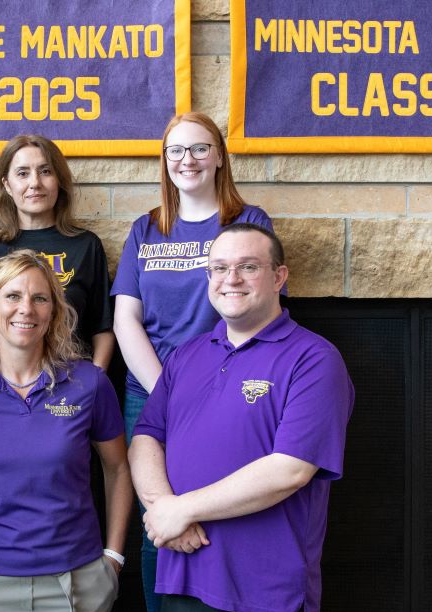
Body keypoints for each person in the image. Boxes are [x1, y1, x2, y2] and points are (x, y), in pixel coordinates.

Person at [129, 224, 353, 612]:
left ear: (278, 276)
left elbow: (290, 470)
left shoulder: (314, 359)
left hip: (264, 591)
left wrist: (182, 510)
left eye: (247, 266)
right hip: (182, 576)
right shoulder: (187, 355)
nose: (231, 279)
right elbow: (146, 437)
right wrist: (163, 507)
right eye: (219, 268)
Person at [111, 111, 274, 611]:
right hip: (151, 393)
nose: (188, 160)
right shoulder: (146, 229)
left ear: (220, 155)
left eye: (200, 148)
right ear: (164, 161)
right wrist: (169, 391)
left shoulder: (249, 222)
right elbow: (125, 321)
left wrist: (196, 392)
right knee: (158, 522)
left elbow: (257, 305)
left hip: (227, 391)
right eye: (176, 150)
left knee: (220, 510)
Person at [0, 250, 133, 612]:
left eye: (40, 298)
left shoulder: (89, 384)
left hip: (76, 582)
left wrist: (112, 559)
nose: (26, 309)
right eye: (13, 296)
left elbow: (118, 469)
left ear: (53, 310)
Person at [0, 134, 114, 369]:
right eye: (22, 173)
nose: (35, 183)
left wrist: (92, 387)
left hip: (69, 386)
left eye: (46, 171)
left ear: (59, 180)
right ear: (7, 184)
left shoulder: (86, 245)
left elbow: (102, 327)